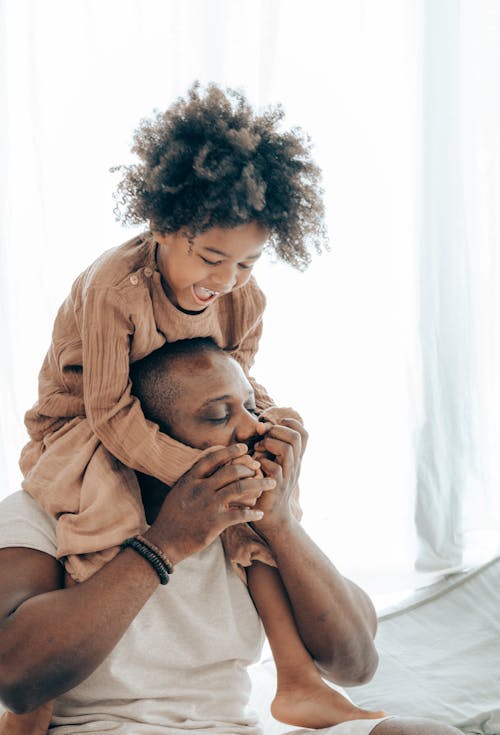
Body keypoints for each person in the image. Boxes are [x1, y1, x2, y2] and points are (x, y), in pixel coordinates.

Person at [5, 81, 325, 733]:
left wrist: (255, 445)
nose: (226, 278)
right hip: (85, 432)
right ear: (162, 226)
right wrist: (187, 476)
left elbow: (243, 376)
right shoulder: (113, 290)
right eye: (211, 257)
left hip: (173, 423)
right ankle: (35, 711)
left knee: (244, 507)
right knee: (94, 531)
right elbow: (111, 410)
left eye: (247, 260)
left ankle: (296, 676)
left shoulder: (242, 295)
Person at [0, 338, 463, 735]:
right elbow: (17, 680)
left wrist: (280, 523)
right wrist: (165, 543)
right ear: (145, 439)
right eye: (220, 415)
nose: (252, 428)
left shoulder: (245, 524)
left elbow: (356, 664)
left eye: (249, 405)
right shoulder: (43, 512)